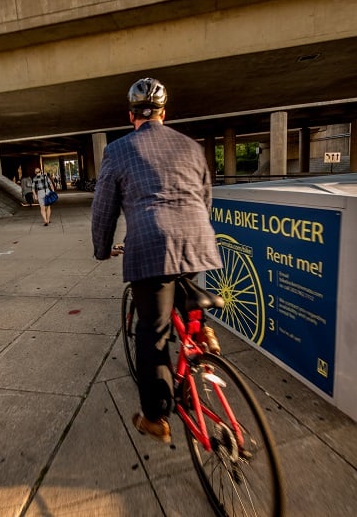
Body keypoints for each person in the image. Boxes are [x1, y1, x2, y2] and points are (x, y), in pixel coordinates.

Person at [91, 78, 222, 443]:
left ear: (130, 115)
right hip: (196, 240)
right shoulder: (191, 147)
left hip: (150, 246)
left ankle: (155, 418)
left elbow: (104, 210)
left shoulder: (118, 151)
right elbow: (205, 199)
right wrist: (195, 233)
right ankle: (201, 329)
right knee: (181, 283)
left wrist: (102, 249)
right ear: (165, 113)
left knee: (153, 333)